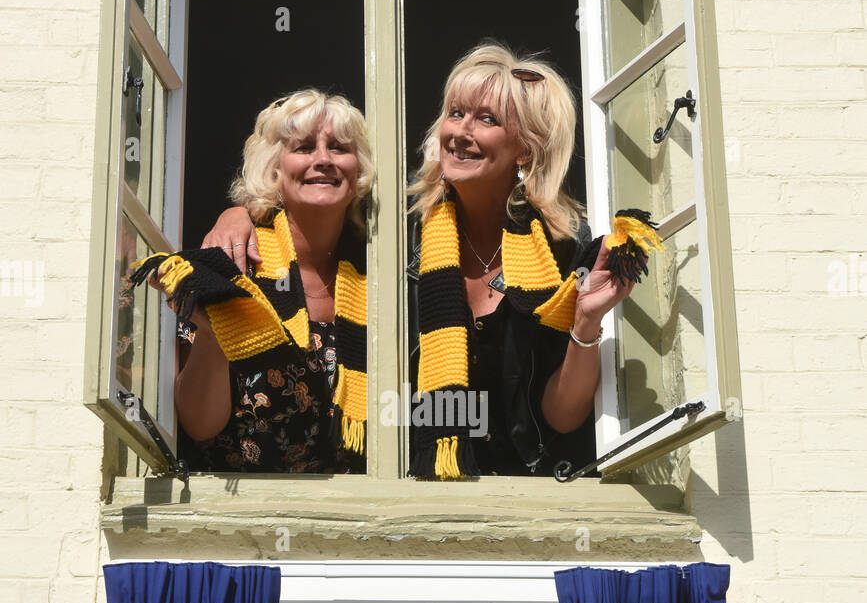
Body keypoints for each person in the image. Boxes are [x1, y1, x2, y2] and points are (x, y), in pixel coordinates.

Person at [405, 42, 657, 478]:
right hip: (423, 491)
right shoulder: (405, 240)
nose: (460, 132)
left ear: (524, 149)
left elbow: (561, 418)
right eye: (455, 113)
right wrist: (243, 214)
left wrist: (586, 323)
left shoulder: (563, 250)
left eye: (486, 119)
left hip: (532, 494)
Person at [137, 89, 372, 473]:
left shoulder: (380, 273)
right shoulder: (234, 264)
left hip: (354, 514)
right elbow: (199, 426)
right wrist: (212, 336)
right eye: (305, 147)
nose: (323, 160)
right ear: (274, 168)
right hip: (243, 513)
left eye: (339, 148)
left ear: (358, 169)